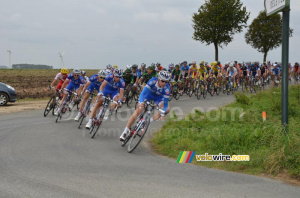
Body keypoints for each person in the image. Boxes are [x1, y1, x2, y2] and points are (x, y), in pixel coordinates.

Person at [119, 71, 171, 141]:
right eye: (163, 81)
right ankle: (125, 131)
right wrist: (141, 102)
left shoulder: (167, 89)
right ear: (158, 79)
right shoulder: (152, 81)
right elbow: (143, 94)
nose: (164, 83)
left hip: (158, 98)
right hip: (148, 95)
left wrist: (162, 113)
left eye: (166, 81)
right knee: (139, 110)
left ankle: (149, 121)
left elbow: (165, 104)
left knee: (167, 109)